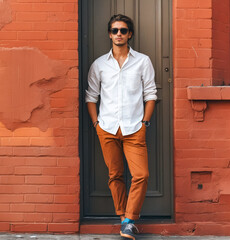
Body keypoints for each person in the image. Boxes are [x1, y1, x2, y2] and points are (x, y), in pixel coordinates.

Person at [85, 14, 157, 239]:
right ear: (109, 34)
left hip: (134, 128)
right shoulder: (99, 64)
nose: (119, 34)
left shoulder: (142, 61)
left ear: (130, 34)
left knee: (141, 175)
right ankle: (122, 217)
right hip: (106, 128)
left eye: (123, 30)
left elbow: (151, 94)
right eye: (115, 30)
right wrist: (96, 124)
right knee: (115, 175)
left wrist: (145, 123)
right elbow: (91, 97)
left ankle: (129, 218)